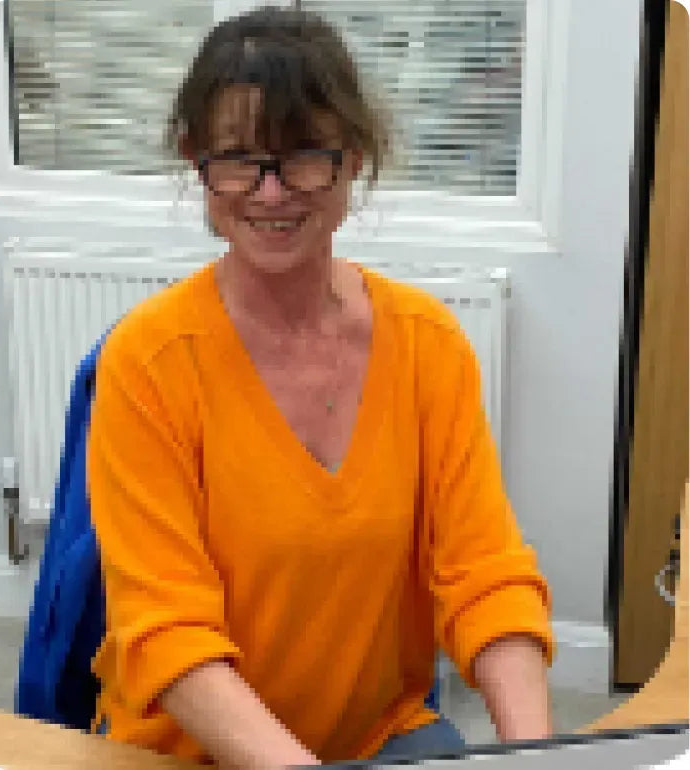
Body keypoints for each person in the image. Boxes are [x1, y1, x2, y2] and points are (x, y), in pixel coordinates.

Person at [86, 5, 555, 769]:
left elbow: (485, 578)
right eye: (237, 158)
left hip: (376, 736)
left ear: (355, 157)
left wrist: (538, 758)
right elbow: (166, 631)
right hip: (187, 753)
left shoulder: (427, 345)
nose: (271, 193)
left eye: (303, 156)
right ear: (194, 159)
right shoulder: (149, 361)